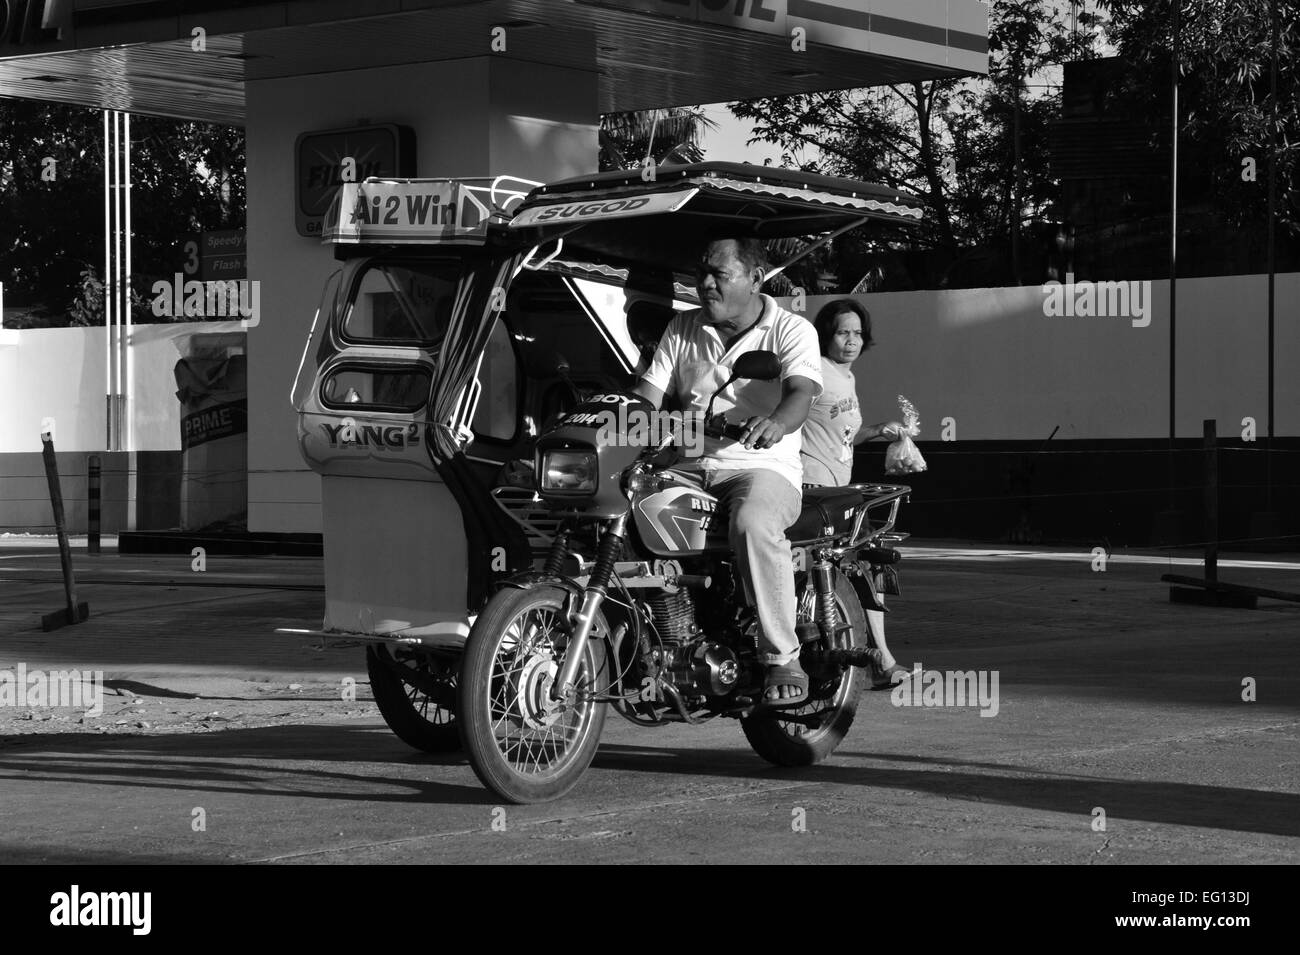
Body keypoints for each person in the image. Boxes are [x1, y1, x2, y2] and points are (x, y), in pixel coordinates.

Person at [634, 237, 822, 707]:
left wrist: (777, 422)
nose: (706, 283)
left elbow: (799, 392)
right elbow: (646, 397)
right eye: (702, 273)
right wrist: (616, 423)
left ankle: (783, 656)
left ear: (756, 278)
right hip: (689, 464)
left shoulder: (791, 329)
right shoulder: (682, 327)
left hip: (761, 465)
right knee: (622, 509)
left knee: (752, 522)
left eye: (720, 274)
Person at [801, 298, 911, 689]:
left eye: (858, 333)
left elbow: (843, 436)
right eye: (843, 332)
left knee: (860, 566)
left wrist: (879, 431)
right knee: (849, 567)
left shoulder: (846, 378)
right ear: (826, 335)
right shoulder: (815, 374)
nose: (851, 341)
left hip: (838, 489)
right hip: (812, 489)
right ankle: (880, 659)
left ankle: (879, 657)